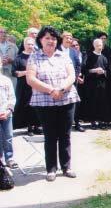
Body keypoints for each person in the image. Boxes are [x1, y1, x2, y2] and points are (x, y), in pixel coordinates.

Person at [26, 26, 80, 182]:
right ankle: (51, 168)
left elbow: (72, 75)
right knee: (50, 136)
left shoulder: (64, 56)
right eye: (47, 38)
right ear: (40, 40)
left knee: (65, 135)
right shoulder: (34, 57)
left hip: (67, 99)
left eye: (54, 38)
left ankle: (66, 166)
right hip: (44, 102)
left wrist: (61, 89)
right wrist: (51, 90)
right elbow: (31, 79)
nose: (51, 41)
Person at [12, 37, 41, 136]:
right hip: (24, 86)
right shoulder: (19, 58)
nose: (30, 46)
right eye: (28, 44)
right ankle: (29, 127)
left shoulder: (38, 56)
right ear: (24, 45)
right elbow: (14, 73)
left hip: (36, 85)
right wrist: (27, 72)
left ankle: (37, 126)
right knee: (27, 106)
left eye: (32, 44)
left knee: (37, 106)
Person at [82, 38, 109, 129]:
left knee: (101, 102)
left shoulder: (104, 58)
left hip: (102, 83)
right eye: (97, 45)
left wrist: (103, 72)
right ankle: (93, 121)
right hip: (91, 84)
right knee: (92, 102)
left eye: (100, 45)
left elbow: (108, 70)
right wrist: (94, 70)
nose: (99, 47)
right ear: (94, 46)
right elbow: (84, 70)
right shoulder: (89, 56)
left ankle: (101, 121)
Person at [0, 62, 16, 168]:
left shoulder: (6, 80)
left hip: (6, 112)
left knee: (8, 136)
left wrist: (8, 110)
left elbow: (12, 97)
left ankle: (9, 158)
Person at [71, 38, 86, 132]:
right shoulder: (69, 55)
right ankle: (75, 123)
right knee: (74, 103)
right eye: (73, 45)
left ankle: (78, 121)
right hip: (74, 82)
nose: (75, 47)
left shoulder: (84, 55)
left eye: (77, 45)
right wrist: (77, 77)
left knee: (81, 103)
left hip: (84, 83)